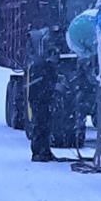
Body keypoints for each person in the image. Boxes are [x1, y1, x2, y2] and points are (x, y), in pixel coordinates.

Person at [25, 26, 59, 162]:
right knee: (40, 126)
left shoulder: (41, 66)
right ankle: (38, 153)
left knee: (43, 126)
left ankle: (44, 151)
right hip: (40, 101)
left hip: (41, 100)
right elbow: (42, 85)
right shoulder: (42, 67)